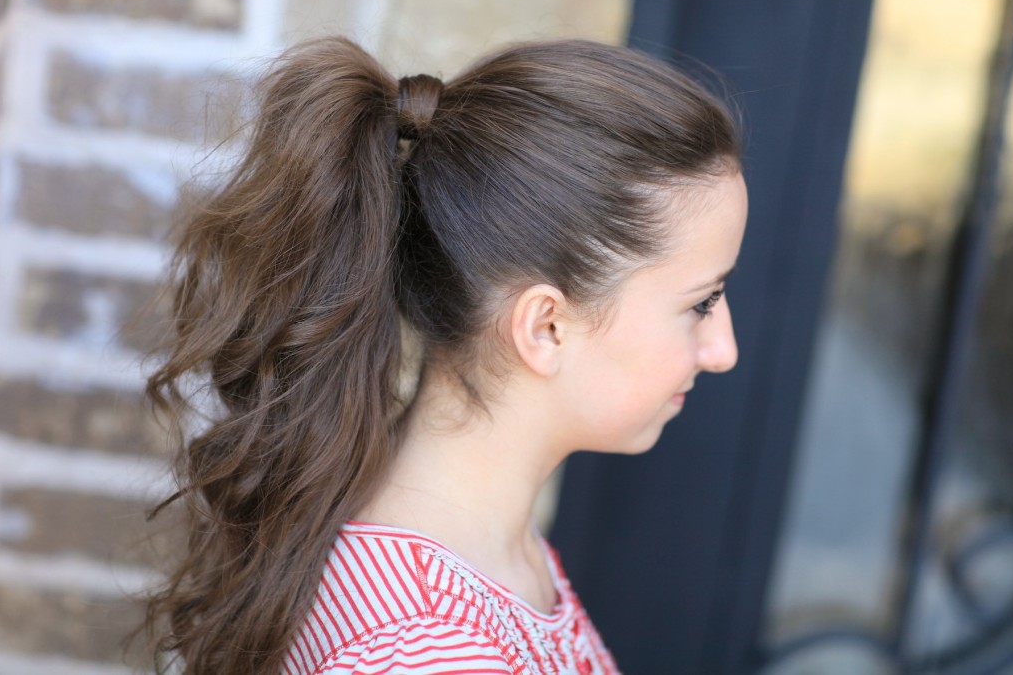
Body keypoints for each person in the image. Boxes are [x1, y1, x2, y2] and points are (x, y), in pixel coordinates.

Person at [142, 35, 746, 674]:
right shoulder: (433, 651)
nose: (723, 350)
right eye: (702, 302)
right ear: (545, 327)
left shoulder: (485, 548)